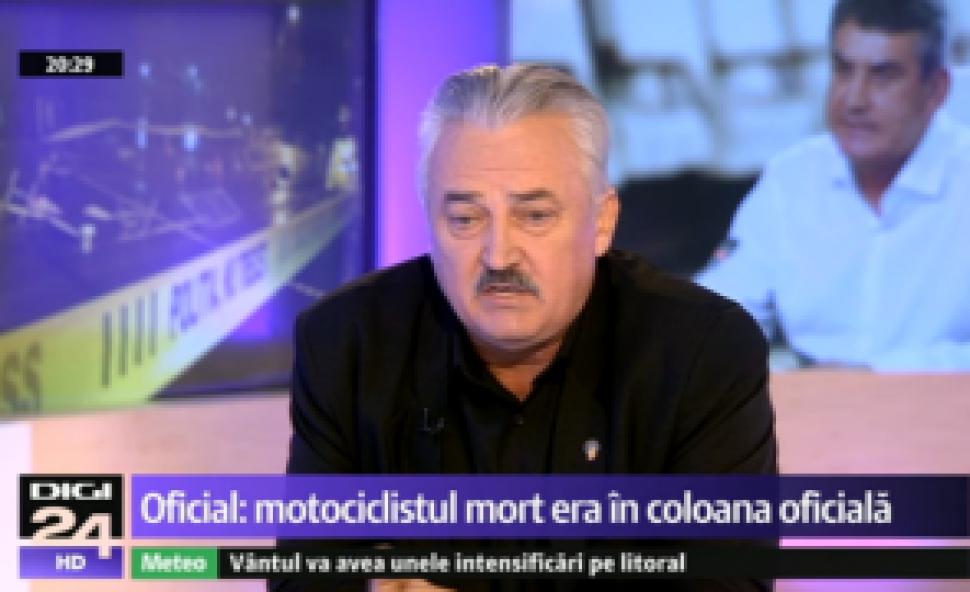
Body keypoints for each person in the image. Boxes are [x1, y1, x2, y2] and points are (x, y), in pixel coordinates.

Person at [276, 64, 776, 592]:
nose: (498, 256)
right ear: (430, 221)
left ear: (602, 222)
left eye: (535, 216)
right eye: (466, 219)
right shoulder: (347, 345)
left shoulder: (702, 352)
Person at [697, 0, 970, 371]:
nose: (854, 100)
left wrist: (874, 375)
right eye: (843, 70)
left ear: (936, 90)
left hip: (942, 403)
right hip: (812, 400)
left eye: (883, 76)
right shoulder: (791, 178)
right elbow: (719, 314)